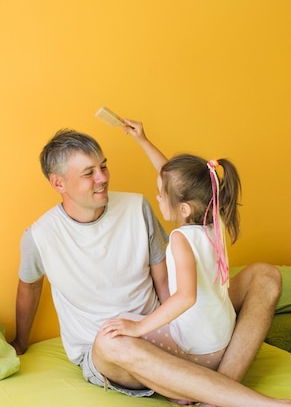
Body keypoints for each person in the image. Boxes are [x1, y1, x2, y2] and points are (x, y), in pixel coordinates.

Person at [11, 127, 291, 406]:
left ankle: (217, 391)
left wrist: (186, 331)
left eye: (103, 166)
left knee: (265, 275)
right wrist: (21, 342)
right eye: (89, 173)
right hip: (116, 349)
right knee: (111, 341)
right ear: (58, 182)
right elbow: (30, 286)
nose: (102, 177)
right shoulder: (40, 236)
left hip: (165, 328)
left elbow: (167, 283)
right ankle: (246, 399)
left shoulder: (136, 207)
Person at [102, 120, 239, 388]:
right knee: (127, 324)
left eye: (162, 195)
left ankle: (178, 388)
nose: (157, 197)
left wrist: (139, 329)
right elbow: (173, 178)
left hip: (200, 350)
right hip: (224, 336)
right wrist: (142, 139)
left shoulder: (181, 238)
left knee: (118, 332)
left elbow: (186, 296)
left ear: (185, 208)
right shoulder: (215, 219)